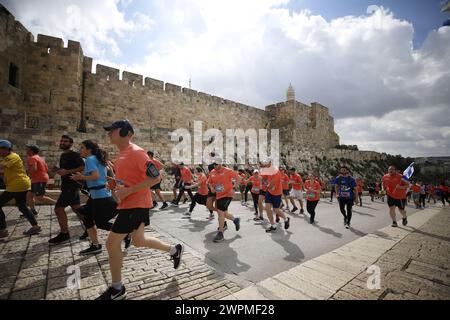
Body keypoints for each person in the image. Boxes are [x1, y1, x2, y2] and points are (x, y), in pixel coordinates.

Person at [97, 120, 183, 300]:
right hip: (130, 204)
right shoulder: (121, 155)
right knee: (139, 240)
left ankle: (117, 288)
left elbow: (154, 178)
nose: (109, 133)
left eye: (113, 130)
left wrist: (128, 190)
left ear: (126, 132)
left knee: (111, 244)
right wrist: (116, 184)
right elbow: (130, 180)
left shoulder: (137, 152)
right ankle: (174, 250)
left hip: (135, 204)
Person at [70, 140, 130, 255]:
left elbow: (95, 176)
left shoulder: (90, 159)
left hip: (100, 197)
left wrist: (81, 177)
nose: (80, 150)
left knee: (101, 223)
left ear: (89, 149)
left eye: (82, 147)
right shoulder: (97, 159)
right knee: (86, 217)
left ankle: (125, 233)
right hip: (97, 196)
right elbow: (102, 175)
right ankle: (95, 245)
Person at [0, 140, 42, 238]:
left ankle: (2, 230)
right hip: (21, 184)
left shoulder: (11, 157)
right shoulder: (10, 157)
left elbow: (1, 167)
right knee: (22, 206)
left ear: (6, 149)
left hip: (17, 185)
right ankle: (35, 226)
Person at [48, 135, 85, 244]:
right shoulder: (63, 155)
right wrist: (57, 169)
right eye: (62, 141)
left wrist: (67, 172)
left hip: (72, 186)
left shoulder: (74, 154)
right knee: (77, 209)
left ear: (70, 143)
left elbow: (82, 167)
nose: (63, 142)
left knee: (58, 209)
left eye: (66, 141)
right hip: (66, 186)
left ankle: (64, 233)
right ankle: (90, 227)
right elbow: (65, 170)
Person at [207, 157, 242, 242]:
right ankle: (235, 219)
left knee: (220, 212)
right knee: (224, 213)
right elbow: (209, 182)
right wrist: (211, 187)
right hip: (219, 195)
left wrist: (234, 189)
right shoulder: (212, 172)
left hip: (227, 195)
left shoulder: (227, 171)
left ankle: (220, 233)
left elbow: (238, 178)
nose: (214, 166)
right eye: (213, 165)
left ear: (220, 164)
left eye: (215, 164)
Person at [25, 144, 56, 215]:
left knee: (39, 197)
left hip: (39, 179)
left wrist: (28, 174)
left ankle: (57, 204)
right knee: (29, 195)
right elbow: (47, 169)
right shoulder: (40, 158)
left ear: (31, 151)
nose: (26, 151)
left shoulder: (33, 158)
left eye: (27, 149)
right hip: (37, 179)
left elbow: (34, 168)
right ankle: (32, 211)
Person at [262, 158, 290, 233]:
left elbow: (271, 186)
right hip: (269, 192)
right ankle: (273, 225)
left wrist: (267, 185)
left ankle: (286, 219)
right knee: (267, 208)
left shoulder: (277, 172)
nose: (265, 165)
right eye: (264, 164)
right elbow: (263, 178)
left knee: (276, 210)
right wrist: (265, 181)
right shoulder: (267, 170)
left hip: (277, 193)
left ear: (270, 163)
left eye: (266, 164)